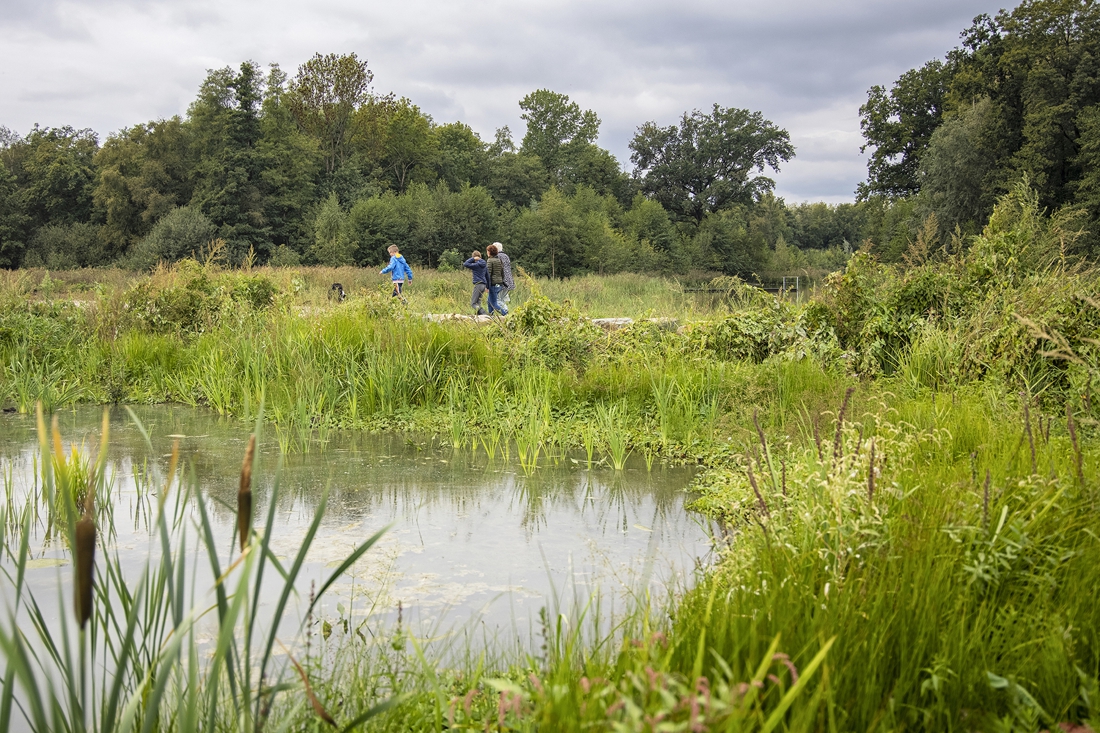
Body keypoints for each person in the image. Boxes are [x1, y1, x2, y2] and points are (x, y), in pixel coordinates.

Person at [463, 250, 488, 315]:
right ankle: (479, 316)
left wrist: (473, 259)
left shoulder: (476, 265)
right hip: (483, 285)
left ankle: (484, 313)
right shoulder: (485, 265)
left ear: (474, 257)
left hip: (478, 284)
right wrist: (488, 287)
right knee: (478, 303)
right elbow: (487, 276)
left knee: (473, 303)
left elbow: (465, 264)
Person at [485, 244, 508, 316]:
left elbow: (488, 274)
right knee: (489, 302)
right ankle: (491, 316)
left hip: (493, 285)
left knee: (494, 304)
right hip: (499, 284)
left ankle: (505, 315)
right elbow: (502, 273)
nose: (487, 252)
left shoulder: (490, 260)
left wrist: (487, 286)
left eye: (487, 251)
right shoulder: (499, 260)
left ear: (489, 252)